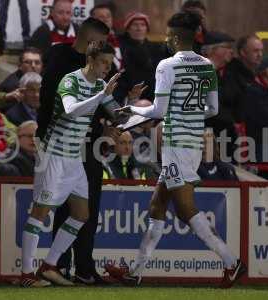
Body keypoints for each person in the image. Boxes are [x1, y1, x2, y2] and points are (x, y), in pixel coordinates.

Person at [105, 12, 246, 289]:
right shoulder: (207, 65)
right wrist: (189, 113)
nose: (166, 39)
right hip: (193, 141)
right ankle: (135, 272)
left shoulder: (166, 65)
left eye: (169, 34)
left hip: (176, 143)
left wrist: (131, 108)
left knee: (185, 209)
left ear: (175, 37)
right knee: (157, 204)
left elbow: (158, 110)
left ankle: (231, 262)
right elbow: (213, 109)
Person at [20, 41, 119, 287]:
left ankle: (49, 265)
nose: (108, 67)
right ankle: (25, 274)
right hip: (53, 154)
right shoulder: (70, 81)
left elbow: (117, 113)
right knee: (40, 213)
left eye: (110, 63)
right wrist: (101, 96)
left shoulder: (99, 85)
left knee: (80, 214)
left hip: (74, 157)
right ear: (91, 59)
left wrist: (134, 105)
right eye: (104, 62)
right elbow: (72, 110)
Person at [222, 34, 263, 123]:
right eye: (255, 51)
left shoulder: (255, 74)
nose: (260, 54)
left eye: (261, 50)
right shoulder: (231, 74)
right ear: (243, 53)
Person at [90, 3, 123, 71]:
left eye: (108, 16)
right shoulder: (87, 43)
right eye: (101, 17)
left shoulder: (121, 40)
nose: (106, 19)